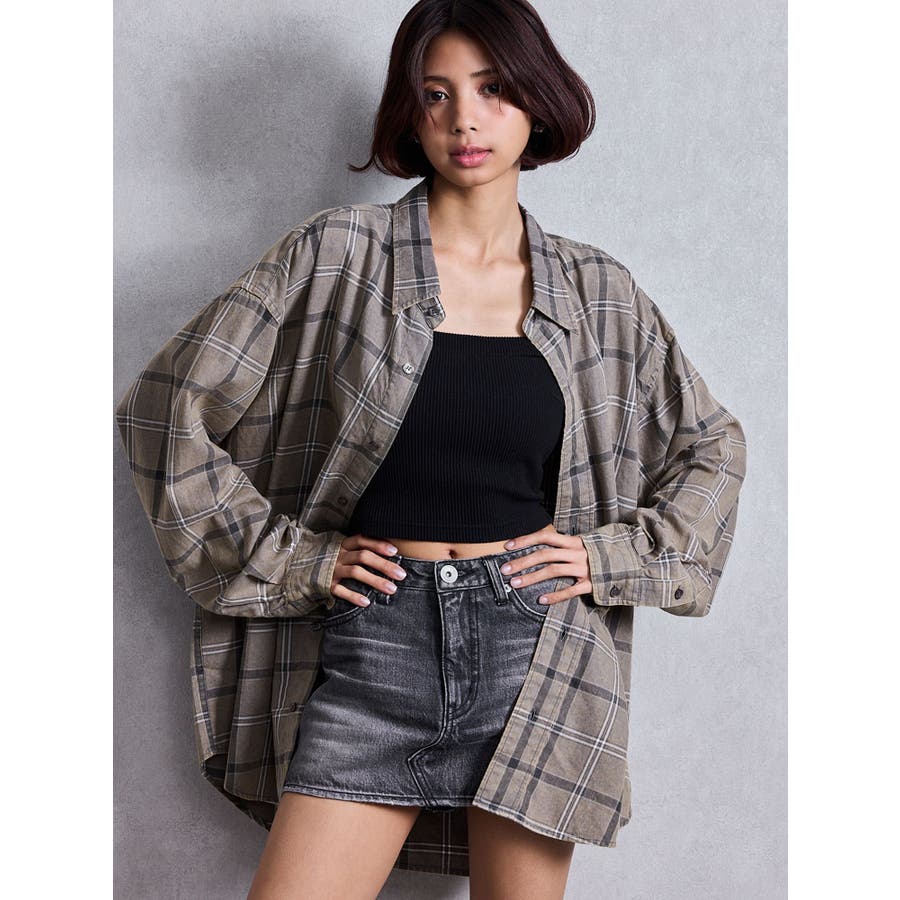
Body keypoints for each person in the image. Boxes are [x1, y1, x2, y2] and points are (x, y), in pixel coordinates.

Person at [115, 1, 747, 897]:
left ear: (537, 102)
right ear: (410, 114)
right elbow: (163, 411)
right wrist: (298, 561)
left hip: (537, 651)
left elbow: (712, 447)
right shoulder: (337, 256)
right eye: (436, 93)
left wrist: (607, 558)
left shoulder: (599, 293)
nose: (464, 120)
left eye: (492, 90)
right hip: (375, 645)